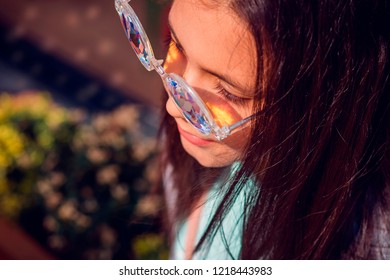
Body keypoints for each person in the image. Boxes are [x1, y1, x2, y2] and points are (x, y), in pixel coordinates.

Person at [115, 0, 390, 259]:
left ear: (329, 98)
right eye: (176, 45)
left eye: (229, 93)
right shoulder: (196, 140)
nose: (174, 108)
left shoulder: (361, 249)